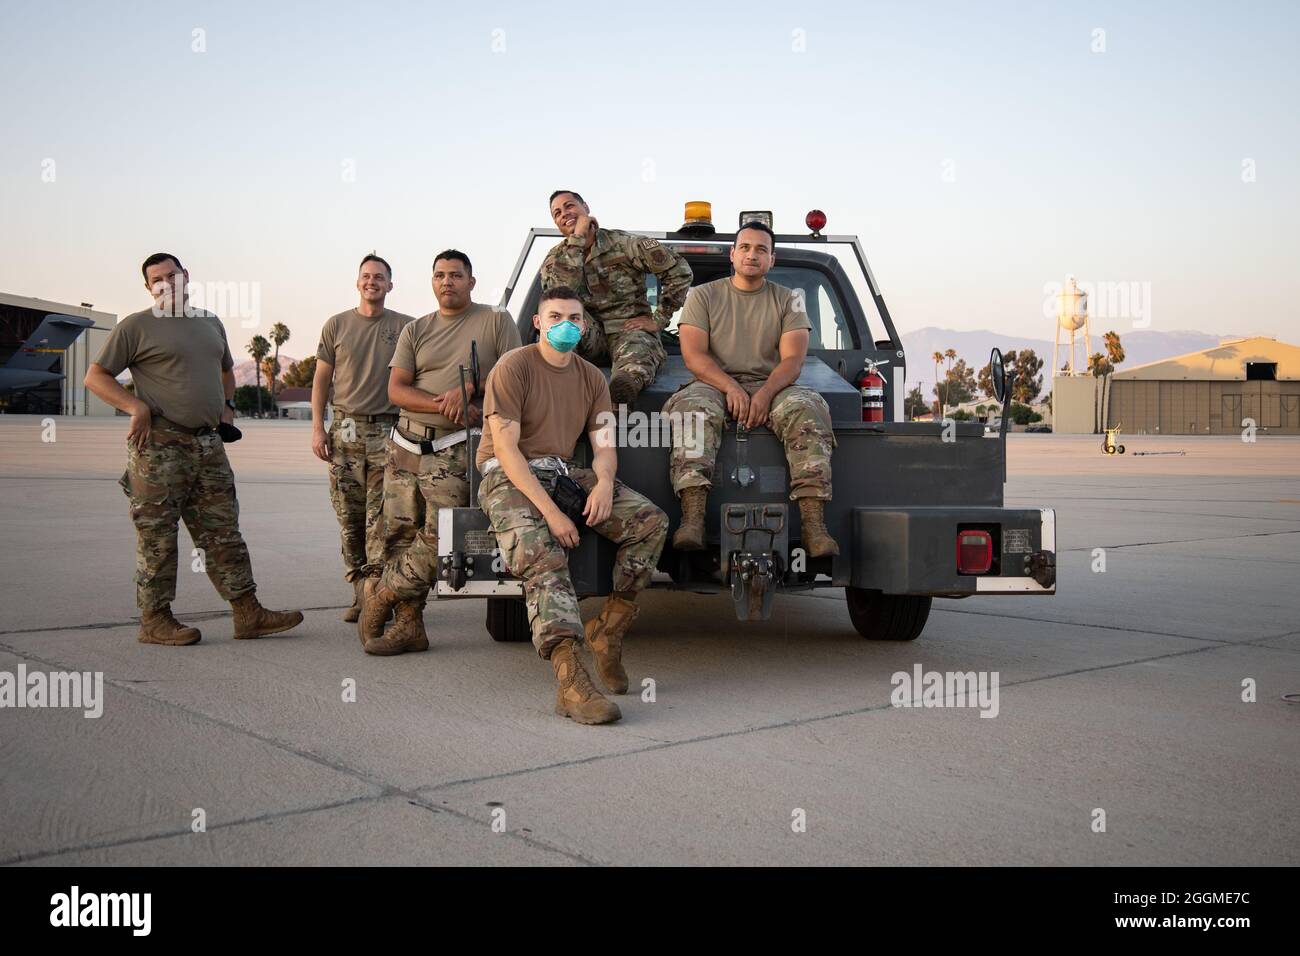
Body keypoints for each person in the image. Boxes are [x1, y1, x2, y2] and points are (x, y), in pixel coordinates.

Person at [84, 252, 304, 645]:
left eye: (173, 275)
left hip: (208, 444)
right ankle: (155, 619)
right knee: (159, 536)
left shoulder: (209, 322)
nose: (167, 283)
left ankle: (247, 612)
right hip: (159, 447)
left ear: (186, 276)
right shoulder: (136, 326)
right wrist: (134, 406)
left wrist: (227, 408)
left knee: (223, 531)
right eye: (158, 279)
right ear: (149, 287)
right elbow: (95, 376)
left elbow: (224, 371)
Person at [473, 286, 668, 724]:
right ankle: (570, 681)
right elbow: (505, 450)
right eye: (556, 316)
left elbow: (603, 444)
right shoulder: (514, 366)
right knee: (543, 553)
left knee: (650, 522)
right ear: (538, 322)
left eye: (575, 318)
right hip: (509, 475)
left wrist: (603, 483)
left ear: (584, 326)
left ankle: (609, 629)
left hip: (561, 471)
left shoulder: (591, 377)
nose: (566, 325)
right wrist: (552, 513)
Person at [358, 250, 521, 655]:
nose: (447, 281)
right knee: (398, 535)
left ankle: (382, 596)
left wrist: (469, 391)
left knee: (438, 537)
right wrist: (443, 402)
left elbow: (514, 378)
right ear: (432, 282)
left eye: (455, 275)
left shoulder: (495, 320)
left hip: (455, 448)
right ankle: (410, 626)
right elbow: (396, 390)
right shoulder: (416, 330)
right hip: (405, 444)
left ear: (471, 281)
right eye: (439, 275)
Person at [663, 222, 839, 557]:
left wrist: (764, 393)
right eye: (744, 247)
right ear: (732, 255)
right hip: (713, 382)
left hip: (772, 384)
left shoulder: (790, 301)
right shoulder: (702, 296)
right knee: (693, 411)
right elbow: (694, 356)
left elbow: (792, 361)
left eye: (761, 249)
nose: (752, 255)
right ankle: (693, 521)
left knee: (808, 408)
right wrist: (732, 388)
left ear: (772, 259)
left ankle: (815, 528)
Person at [312, 253, 415, 621]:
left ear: (390, 285)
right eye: (366, 276)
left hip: (388, 429)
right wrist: (317, 427)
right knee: (349, 517)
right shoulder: (336, 325)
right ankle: (358, 590)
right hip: (346, 428)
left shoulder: (406, 327)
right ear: (358, 283)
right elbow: (322, 379)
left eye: (380, 277)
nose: (372, 281)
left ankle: (375, 594)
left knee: (382, 519)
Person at [540, 189, 692, 407]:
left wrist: (659, 319)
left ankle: (621, 390)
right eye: (557, 213)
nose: (564, 213)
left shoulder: (625, 244)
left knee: (637, 352)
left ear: (586, 208)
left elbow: (680, 271)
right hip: (586, 336)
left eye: (569, 206)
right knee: (562, 323)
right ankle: (554, 386)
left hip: (629, 330)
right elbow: (558, 298)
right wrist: (577, 240)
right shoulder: (554, 260)